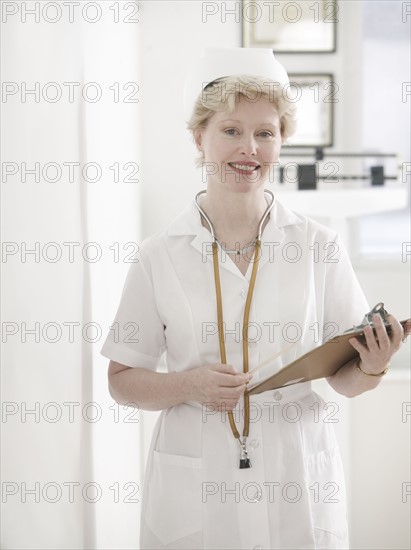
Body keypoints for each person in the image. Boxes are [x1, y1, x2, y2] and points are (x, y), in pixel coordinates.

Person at [101, 48, 407, 550]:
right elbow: (121, 383)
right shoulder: (157, 256)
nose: (250, 149)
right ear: (199, 137)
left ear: (281, 141)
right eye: (231, 130)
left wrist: (372, 367)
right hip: (195, 483)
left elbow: (347, 380)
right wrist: (188, 385)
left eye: (265, 133)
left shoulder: (319, 246)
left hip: (297, 475)